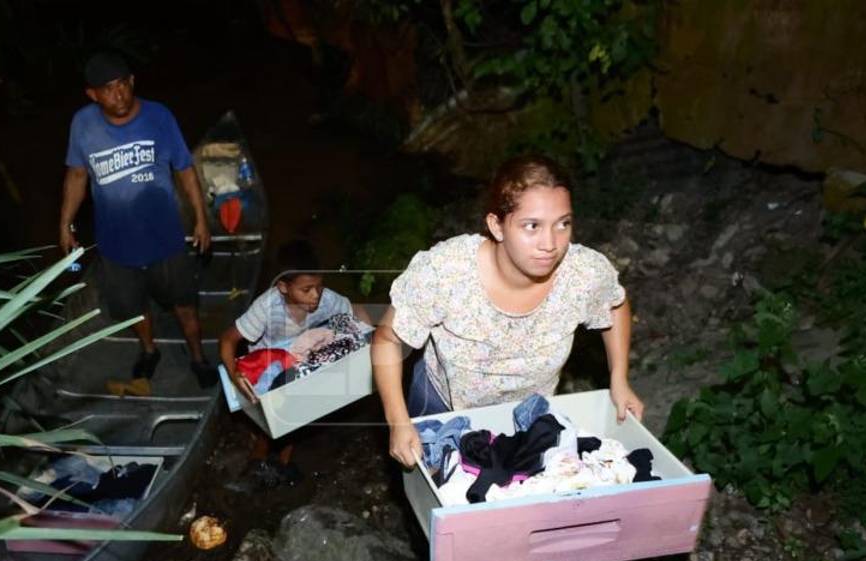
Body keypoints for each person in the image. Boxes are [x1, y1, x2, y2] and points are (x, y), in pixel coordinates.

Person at [371, 154, 644, 469]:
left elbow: (615, 305)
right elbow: (388, 338)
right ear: (496, 226)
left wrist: (619, 378)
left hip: (529, 412)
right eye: (532, 226)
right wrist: (398, 422)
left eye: (563, 224)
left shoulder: (582, 274)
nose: (550, 243)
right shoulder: (445, 272)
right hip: (442, 404)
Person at [59, 51, 218, 388]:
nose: (119, 95)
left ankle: (198, 357)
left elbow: (185, 169)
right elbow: (76, 176)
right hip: (116, 244)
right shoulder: (83, 125)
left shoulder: (159, 117)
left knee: (185, 305)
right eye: (108, 89)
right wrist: (65, 224)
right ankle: (149, 350)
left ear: (132, 82)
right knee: (133, 307)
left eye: (123, 84)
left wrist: (201, 220)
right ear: (93, 94)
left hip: (166, 239)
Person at [218, 240, 358, 485]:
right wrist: (234, 374)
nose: (315, 295)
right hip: (268, 368)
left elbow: (353, 316)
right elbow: (228, 340)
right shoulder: (266, 306)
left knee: (298, 414)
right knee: (270, 421)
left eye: (319, 287)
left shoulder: (327, 300)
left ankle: (283, 460)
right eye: (306, 290)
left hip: (301, 363)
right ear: (283, 287)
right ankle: (258, 458)